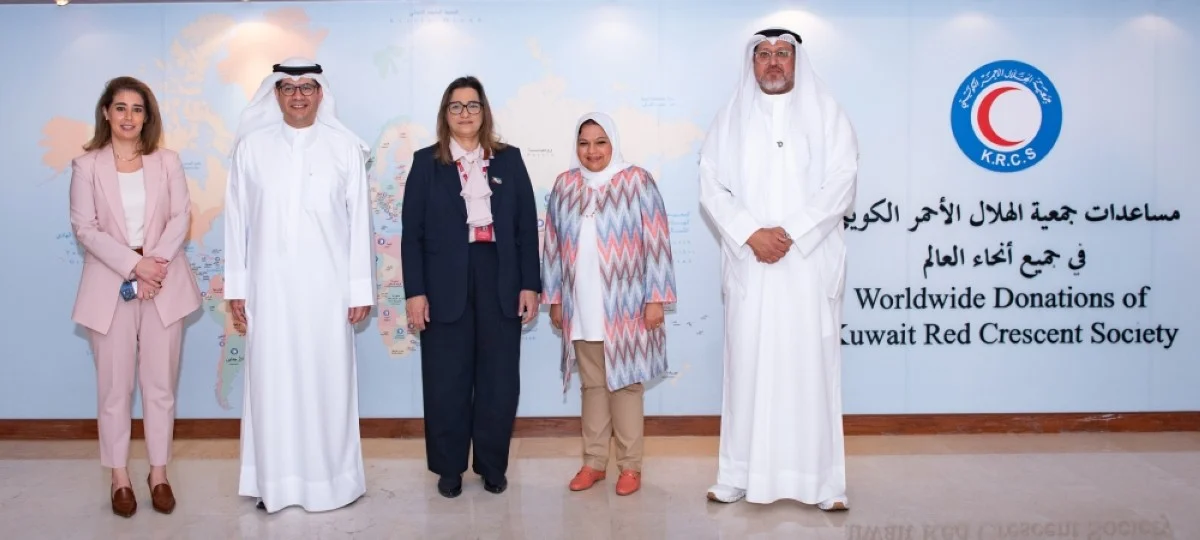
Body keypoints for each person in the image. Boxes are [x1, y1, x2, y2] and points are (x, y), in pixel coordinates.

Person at [698, 27, 859, 510]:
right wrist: (752, 233)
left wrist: (790, 232)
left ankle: (822, 484)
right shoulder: (729, 120)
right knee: (746, 369)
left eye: (782, 54)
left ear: (796, 61)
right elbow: (712, 186)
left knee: (810, 371)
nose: (773, 62)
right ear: (752, 63)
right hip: (752, 266)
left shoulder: (828, 114)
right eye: (764, 54)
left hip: (807, 268)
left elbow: (842, 182)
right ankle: (737, 476)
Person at [223, 57, 375, 513]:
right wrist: (237, 286)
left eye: (307, 87)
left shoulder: (345, 148)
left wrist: (360, 290)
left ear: (320, 94)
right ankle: (275, 482)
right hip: (268, 290)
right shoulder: (251, 148)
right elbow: (235, 222)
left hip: (328, 293)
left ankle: (334, 481)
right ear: (276, 95)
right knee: (272, 383)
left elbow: (359, 223)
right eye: (288, 88)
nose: (298, 95)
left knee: (327, 382)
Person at [401, 76, 541, 498]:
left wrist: (530, 285)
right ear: (446, 115)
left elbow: (525, 229)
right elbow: (412, 235)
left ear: (485, 112)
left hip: (500, 277)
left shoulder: (510, 160)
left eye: (473, 105)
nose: (465, 113)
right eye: (456, 106)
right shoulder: (426, 163)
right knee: (446, 380)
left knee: (499, 381)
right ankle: (449, 468)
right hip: (443, 284)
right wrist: (414, 292)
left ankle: (492, 466)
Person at [69, 76, 202, 517]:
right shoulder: (86, 166)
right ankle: (120, 477)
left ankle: (158, 473)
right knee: (114, 389)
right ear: (106, 112)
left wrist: (154, 264)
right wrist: (133, 265)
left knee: (160, 388)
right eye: (120, 107)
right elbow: (85, 227)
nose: (129, 116)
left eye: (138, 108)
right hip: (111, 287)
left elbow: (181, 216)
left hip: (164, 284)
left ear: (148, 116)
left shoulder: (167, 161)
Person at [541, 112, 677, 496]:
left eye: (600, 142)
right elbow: (551, 247)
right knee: (592, 385)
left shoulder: (636, 181)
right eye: (584, 143)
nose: (592, 151)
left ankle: (630, 467)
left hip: (627, 305)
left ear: (613, 143)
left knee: (626, 386)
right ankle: (594, 462)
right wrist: (554, 299)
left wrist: (656, 299)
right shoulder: (565, 185)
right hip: (580, 306)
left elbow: (657, 242)